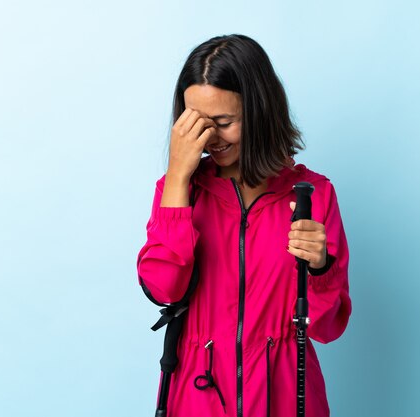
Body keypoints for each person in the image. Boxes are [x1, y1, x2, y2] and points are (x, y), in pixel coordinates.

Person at [137, 34, 351, 417]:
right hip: (197, 394)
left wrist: (319, 268)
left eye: (223, 121)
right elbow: (164, 287)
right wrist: (177, 178)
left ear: (260, 111)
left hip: (286, 396)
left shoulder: (313, 194)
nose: (210, 138)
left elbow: (326, 328)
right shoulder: (178, 192)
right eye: (196, 123)